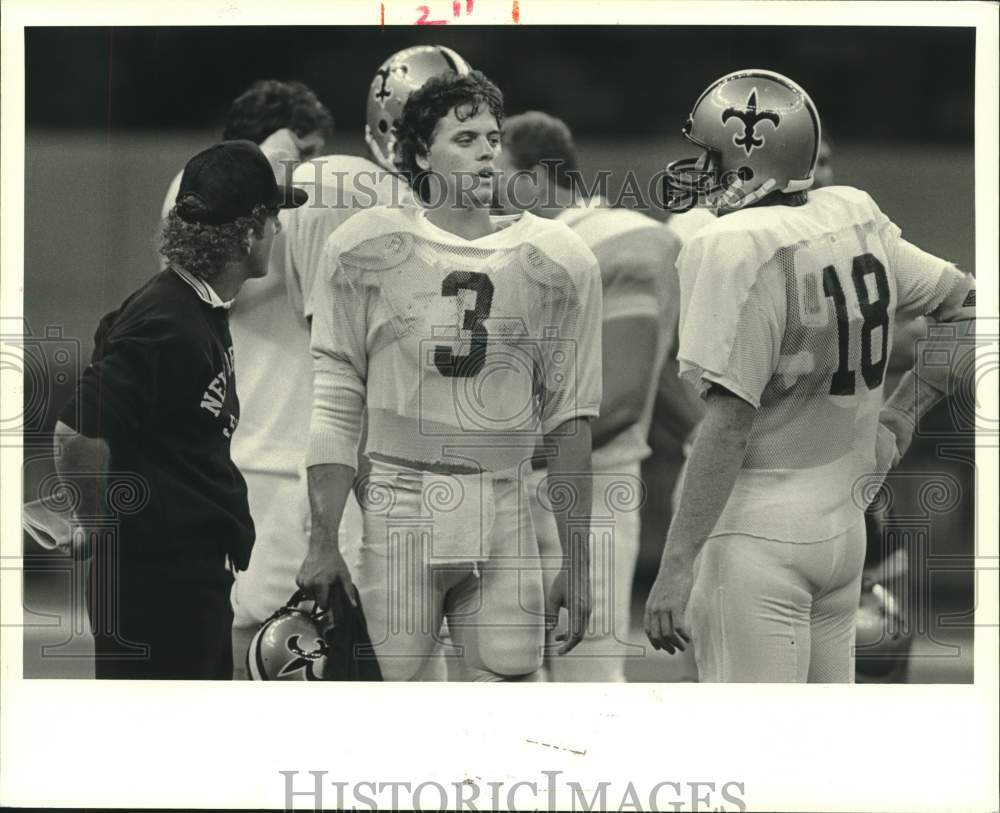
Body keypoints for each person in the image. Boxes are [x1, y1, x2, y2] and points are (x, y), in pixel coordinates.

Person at [644, 69, 976, 683]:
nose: (702, 169)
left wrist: (676, 566)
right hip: (843, 528)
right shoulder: (852, 213)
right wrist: (901, 415)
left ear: (755, 157)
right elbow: (966, 304)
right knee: (821, 754)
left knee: (754, 758)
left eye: (711, 155)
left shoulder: (731, 244)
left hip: (756, 532)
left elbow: (730, 422)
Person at [298, 71, 603, 681]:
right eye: (464, 138)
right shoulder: (366, 246)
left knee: (507, 699)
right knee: (391, 705)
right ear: (418, 153)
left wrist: (578, 558)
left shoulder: (557, 257)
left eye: (492, 136)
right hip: (400, 505)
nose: (487, 149)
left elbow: (571, 418)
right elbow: (335, 404)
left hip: (507, 506)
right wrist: (322, 539)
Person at [54, 141, 307, 678]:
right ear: (244, 231)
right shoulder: (167, 322)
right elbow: (76, 434)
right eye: (271, 219)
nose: (278, 232)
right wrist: (95, 520)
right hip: (158, 585)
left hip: (182, 579)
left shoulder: (196, 305)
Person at [496, 110, 693, 681]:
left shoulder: (623, 239)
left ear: (535, 174)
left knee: (589, 681)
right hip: (515, 489)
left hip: (593, 487)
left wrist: (494, 450)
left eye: (496, 170)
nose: (484, 188)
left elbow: (625, 397)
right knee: (505, 678)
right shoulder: (520, 243)